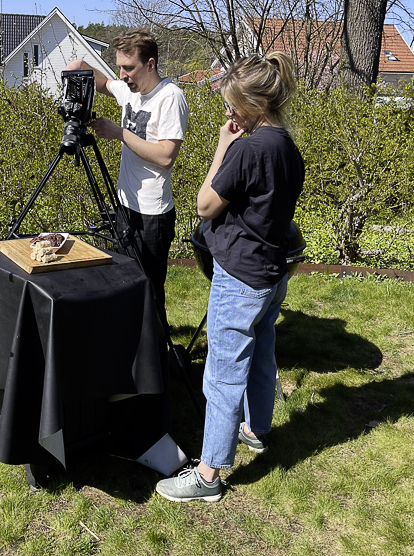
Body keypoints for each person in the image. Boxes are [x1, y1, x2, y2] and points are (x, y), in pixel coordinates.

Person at [155, 52, 305, 502]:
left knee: (222, 374)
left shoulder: (247, 148)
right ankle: (256, 430)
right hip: (272, 272)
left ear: (253, 104)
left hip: (240, 276)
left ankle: (208, 475)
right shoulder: (287, 146)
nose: (227, 112)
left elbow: (205, 205)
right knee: (261, 354)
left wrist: (223, 144)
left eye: (231, 105)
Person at [65, 30, 188, 329]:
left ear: (150, 64)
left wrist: (120, 133)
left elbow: (165, 156)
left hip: (153, 214)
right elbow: (100, 80)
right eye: (119, 67)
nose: (122, 75)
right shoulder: (129, 90)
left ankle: (158, 350)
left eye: (129, 68)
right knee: (126, 286)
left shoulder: (170, 97)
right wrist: (77, 67)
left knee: (149, 290)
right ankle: (133, 348)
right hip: (125, 206)